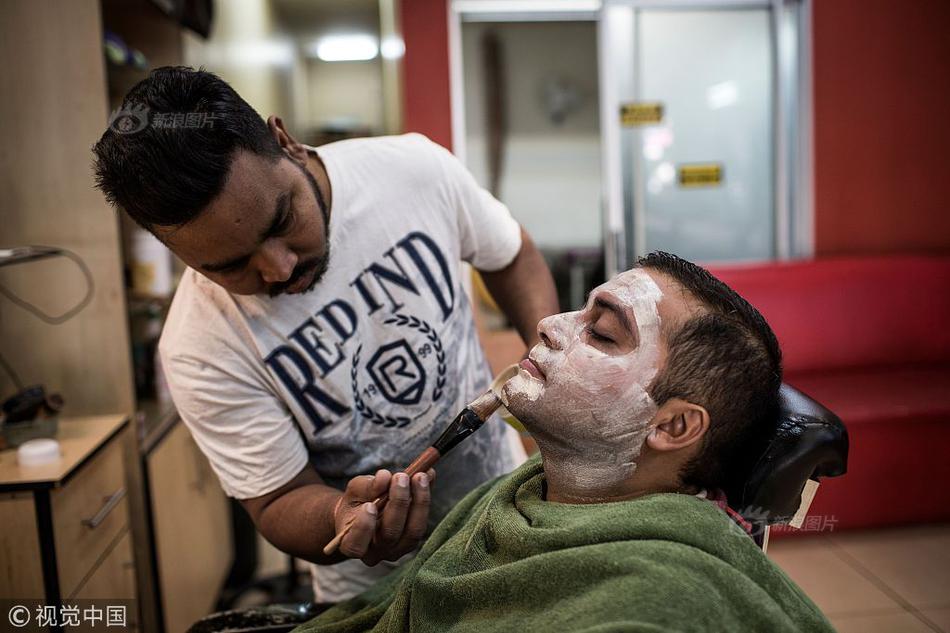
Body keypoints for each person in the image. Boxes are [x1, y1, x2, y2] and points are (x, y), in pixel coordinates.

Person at [92, 67, 559, 601]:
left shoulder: (412, 171)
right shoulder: (199, 346)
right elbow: (276, 500)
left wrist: (546, 349)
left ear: (285, 142)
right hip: (375, 594)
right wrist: (340, 514)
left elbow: (511, 255)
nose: (279, 268)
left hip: (510, 512)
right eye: (230, 266)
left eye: (281, 219)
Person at [294, 252, 835, 632]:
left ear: (672, 427)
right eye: (581, 309)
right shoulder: (526, 493)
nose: (550, 323)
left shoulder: (657, 601)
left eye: (601, 333)